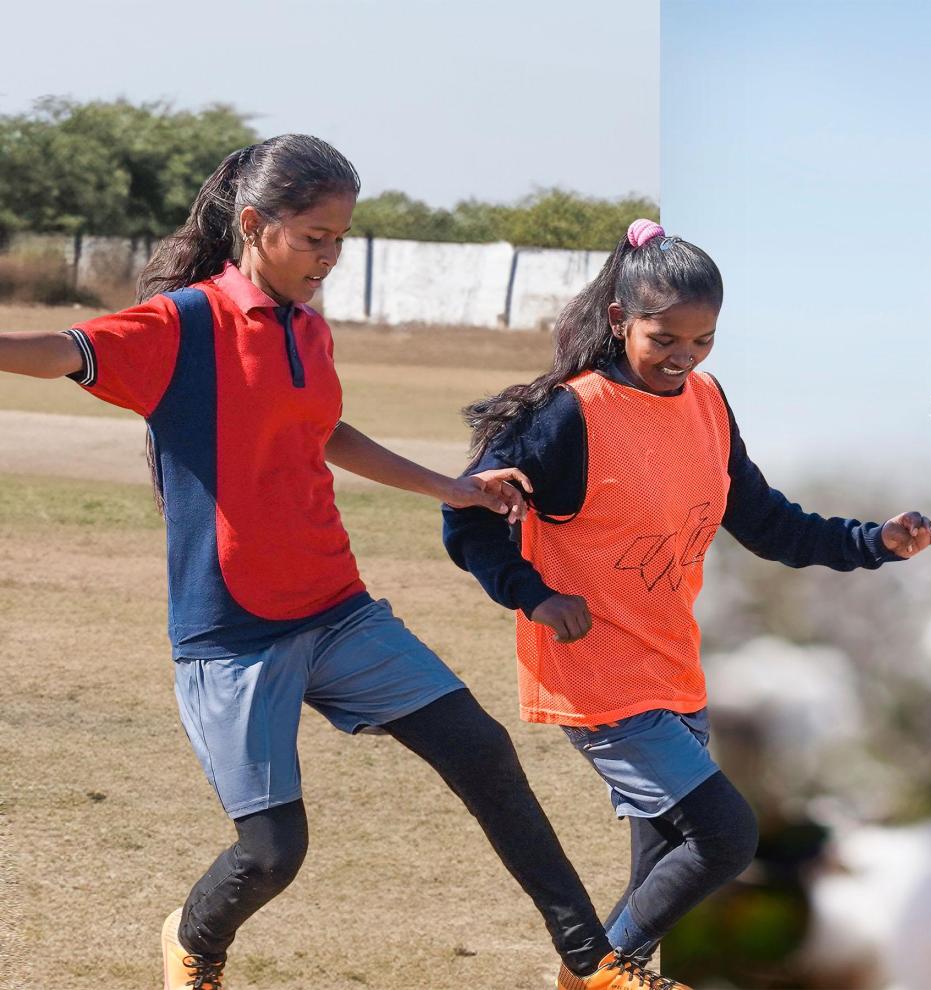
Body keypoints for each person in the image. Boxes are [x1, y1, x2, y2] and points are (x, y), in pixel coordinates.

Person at [0, 137, 674, 990]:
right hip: (233, 634)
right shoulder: (182, 325)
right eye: (315, 236)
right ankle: (194, 942)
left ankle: (595, 965)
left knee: (482, 751)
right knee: (274, 854)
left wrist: (449, 485)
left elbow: (322, 430)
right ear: (254, 224)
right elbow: (58, 349)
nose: (330, 256)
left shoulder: (307, 328)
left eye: (341, 238)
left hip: (337, 609)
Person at [444, 217, 931, 986]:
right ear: (620, 322)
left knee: (662, 889)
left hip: (675, 673)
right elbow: (466, 516)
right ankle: (593, 973)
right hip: (601, 679)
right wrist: (535, 595)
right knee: (724, 838)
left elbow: (768, 523)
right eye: (665, 340)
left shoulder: (708, 404)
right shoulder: (568, 415)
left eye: (703, 340)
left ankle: (606, 970)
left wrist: (874, 541)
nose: (683, 358)